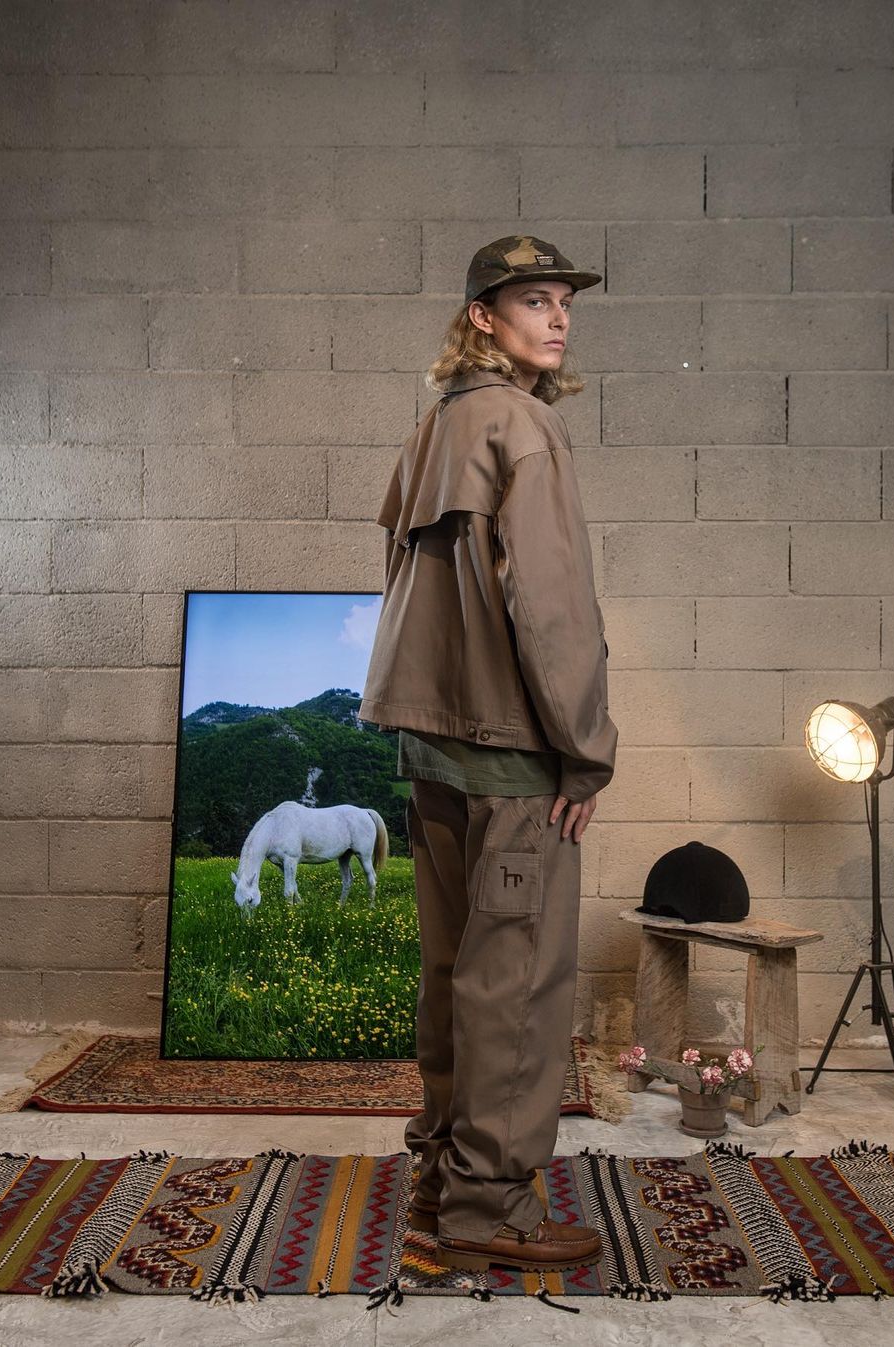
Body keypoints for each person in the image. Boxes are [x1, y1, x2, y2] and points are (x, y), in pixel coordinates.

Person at [357, 235, 618, 1275]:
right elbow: (551, 607)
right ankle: (488, 1211)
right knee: (514, 989)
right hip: (511, 754)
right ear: (482, 317)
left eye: (563, 302)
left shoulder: (434, 427)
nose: (557, 319)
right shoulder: (526, 426)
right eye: (533, 301)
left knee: (454, 974)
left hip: (430, 746)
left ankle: (439, 1177)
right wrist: (585, 752)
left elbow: (398, 584)